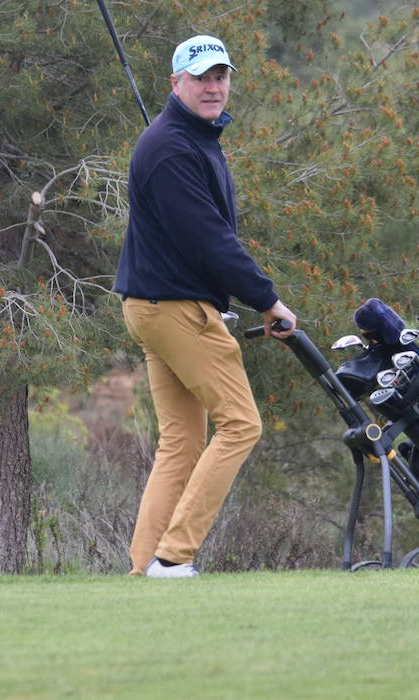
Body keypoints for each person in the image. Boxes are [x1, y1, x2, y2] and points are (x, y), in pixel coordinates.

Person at [115, 33, 297, 579]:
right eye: (201, 78)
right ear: (176, 84)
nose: (213, 86)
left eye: (220, 76)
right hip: (176, 309)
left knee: (184, 440)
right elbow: (210, 241)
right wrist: (267, 300)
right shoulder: (171, 147)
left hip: (154, 306)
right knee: (241, 425)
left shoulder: (190, 139)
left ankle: (145, 566)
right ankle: (173, 557)